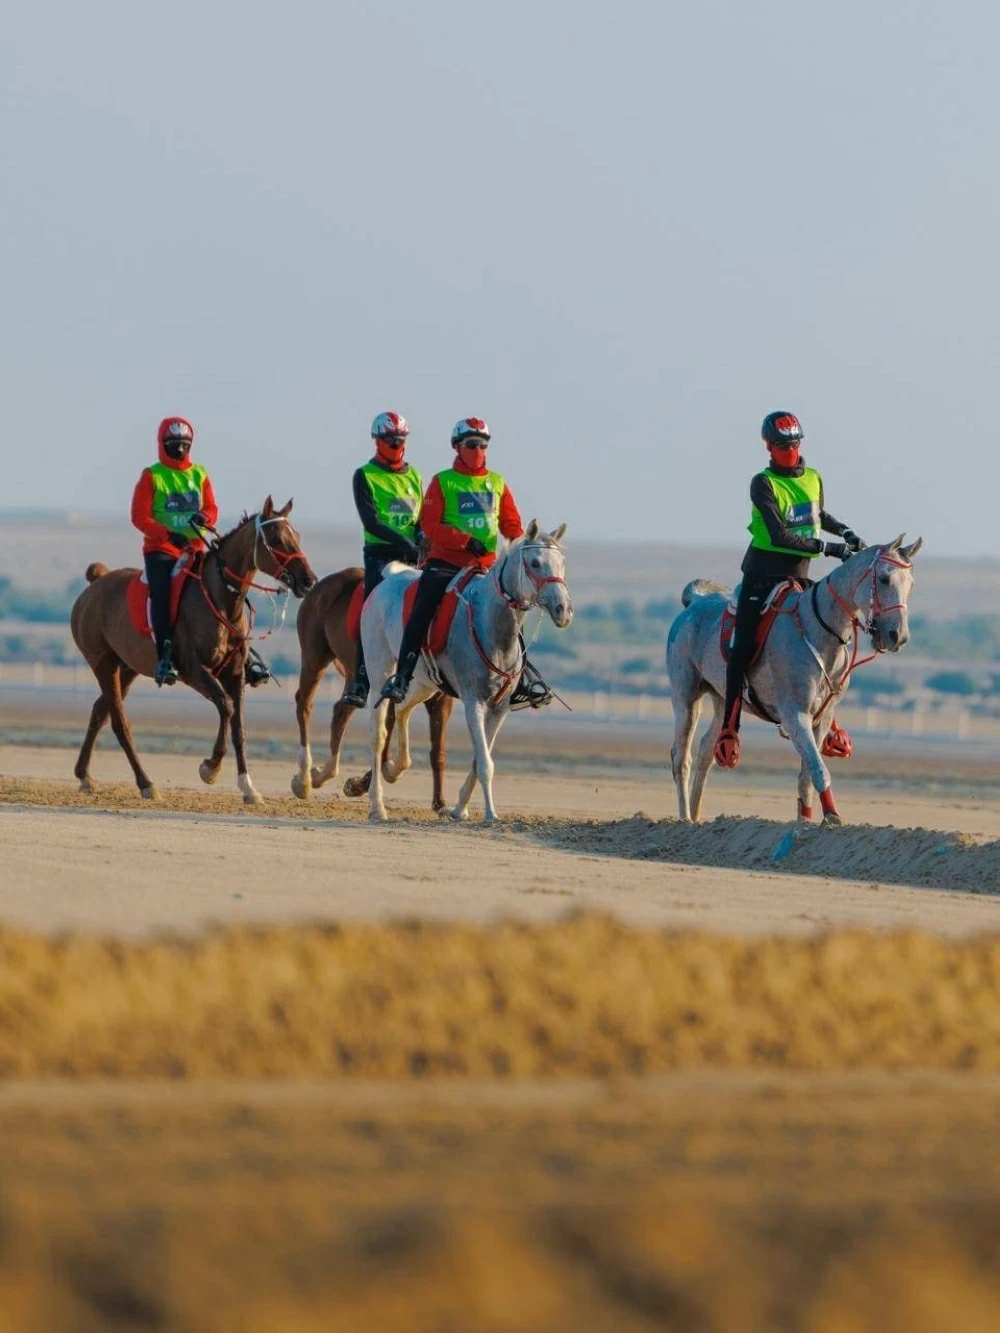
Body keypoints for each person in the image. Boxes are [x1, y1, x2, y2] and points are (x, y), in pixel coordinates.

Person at [714, 410, 866, 769]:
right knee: (742, 647)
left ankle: (829, 722)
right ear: (769, 445)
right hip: (762, 577)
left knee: (830, 633)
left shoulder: (813, 477)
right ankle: (729, 729)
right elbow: (780, 532)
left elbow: (815, 514)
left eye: (795, 443)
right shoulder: (762, 482)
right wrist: (829, 549)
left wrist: (843, 531)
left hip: (798, 576)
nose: (790, 450)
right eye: (783, 445)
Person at [378, 417, 553, 708]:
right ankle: (403, 677)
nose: (478, 450)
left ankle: (521, 678)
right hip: (446, 562)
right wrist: (462, 540)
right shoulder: (443, 481)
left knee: (513, 611)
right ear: (457, 446)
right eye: (472, 444)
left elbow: (511, 525)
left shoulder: (497, 483)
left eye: (483, 445)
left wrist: (524, 549)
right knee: (422, 607)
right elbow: (430, 525)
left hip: (485, 566)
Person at [130, 416, 270, 688]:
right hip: (162, 550)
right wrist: (169, 534)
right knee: (162, 594)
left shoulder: (200, 474)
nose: (179, 449)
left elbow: (212, 508)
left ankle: (245, 652)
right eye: (173, 444)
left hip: (196, 549)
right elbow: (139, 516)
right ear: (163, 444)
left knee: (228, 589)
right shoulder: (152, 475)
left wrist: (205, 517)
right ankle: (165, 656)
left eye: (184, 444)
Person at [342, 411, 423, 708]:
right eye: (390, 439)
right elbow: (371, 522)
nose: (396, 444)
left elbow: (420, 517)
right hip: (381, 556)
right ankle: (361, 680)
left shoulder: (413, 475)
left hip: (413, 556)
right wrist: (405, 542)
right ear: (378, 440)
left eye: (400, 439)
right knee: (369, 613)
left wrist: (422, 537)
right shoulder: (364, 475)